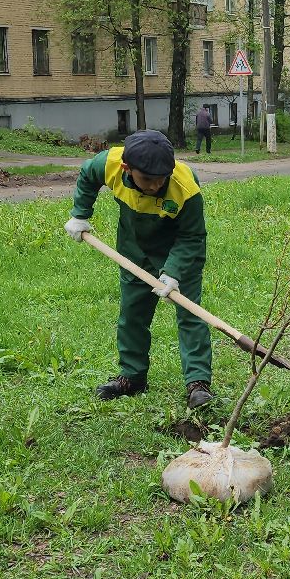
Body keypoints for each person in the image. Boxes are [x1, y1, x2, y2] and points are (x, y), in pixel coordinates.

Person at [65, 130, 213, 408]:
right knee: (133, 313)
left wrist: (174, 272)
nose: (156, 186)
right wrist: (80, 214)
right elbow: (88, 175)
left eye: (162, 179)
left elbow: (192, 236)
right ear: (127, 168)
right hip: (134, 250)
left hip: (179, 252)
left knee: (190, 314)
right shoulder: (108, 163)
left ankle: (198, 383)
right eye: (148, 179)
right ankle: (132, 377)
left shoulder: (185, 187)